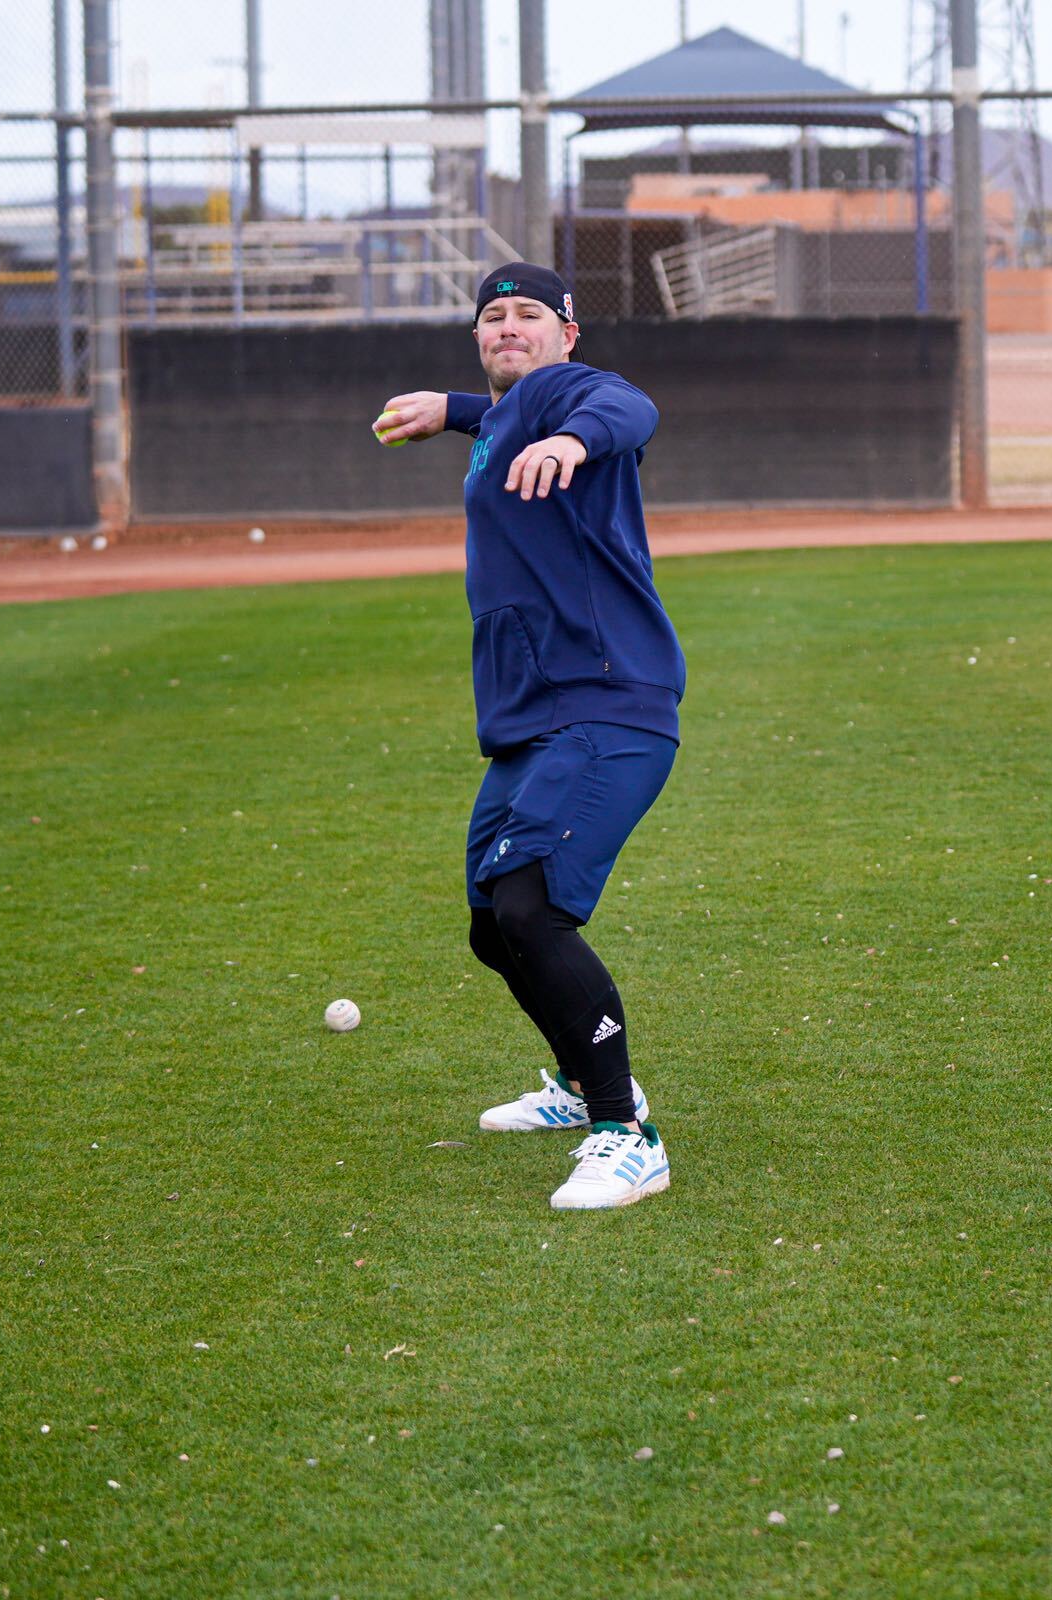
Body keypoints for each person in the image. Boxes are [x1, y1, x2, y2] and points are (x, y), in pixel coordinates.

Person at [376, 263, 684, 1210]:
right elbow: (502, 409)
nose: (509, 328)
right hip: (529, 719)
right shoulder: (508, 410)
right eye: (492, 317)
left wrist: (570, 439)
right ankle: (582, 1084)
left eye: (530, 316)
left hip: (604, 700)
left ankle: (626, 1133)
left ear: (567, 333)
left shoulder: (571, 396)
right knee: (490, 927)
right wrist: (456, 407)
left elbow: (629, 409)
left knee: (532, 910)